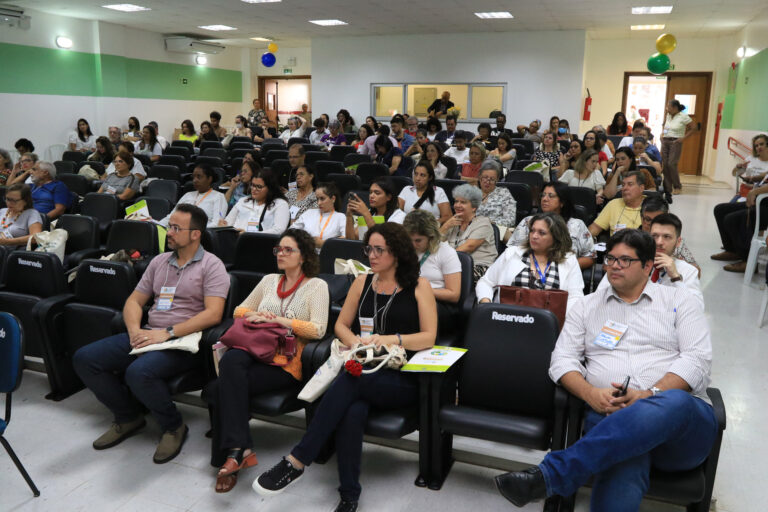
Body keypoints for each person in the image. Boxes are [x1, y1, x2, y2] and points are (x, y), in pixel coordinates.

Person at [495, 229, 715, 511]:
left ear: (648, 266)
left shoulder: (680, 301)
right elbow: (562, 360)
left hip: (679, 431)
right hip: (609, 414)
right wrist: (590, 394)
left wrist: (648, 395)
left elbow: (697, 359)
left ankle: (552, 474)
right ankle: (554, 475)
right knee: (622, 455)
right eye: (610, 259)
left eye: (625, 260)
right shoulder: (586, 306)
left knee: (673, 402)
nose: (614, 266)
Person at [253, 222, 437, 512]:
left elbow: (429, 336)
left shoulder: (419, 285)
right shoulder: (363, 281)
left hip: (400, 377)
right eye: (369, 249)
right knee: (353, 408)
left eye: (379, 250)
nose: (372, 255)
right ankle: (349, 495)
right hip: (362, 367)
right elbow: (340, 324)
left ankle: (298, 460)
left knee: (352, 380)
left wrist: (386, 341)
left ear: (398, 253)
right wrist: (357, 344)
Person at [72, 204, 229, 464]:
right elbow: (134, 302)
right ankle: (128, 416)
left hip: (184, 342)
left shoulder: (212, 266)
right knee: (85, 358)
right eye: (170, 226)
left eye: (177, 228)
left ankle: (173, 426)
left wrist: (167, 333)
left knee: (139, 372)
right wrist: (135, 330)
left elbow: (213, 314)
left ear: (195, 234)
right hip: (148, 334)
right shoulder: (159, 262)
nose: (169, 232)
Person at [211, 228, 329, 492]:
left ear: (304, 256)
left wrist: (279, 320)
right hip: (255, 350)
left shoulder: (316, 286)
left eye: (289, 250)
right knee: (231, 361)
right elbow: (239, 310)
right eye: (279, 249)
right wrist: (257, 314)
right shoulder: (268, 280)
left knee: (223, 387)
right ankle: (238, 450)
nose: (281, 254)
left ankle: (229, 456)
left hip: (285, 362)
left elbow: (318, 329)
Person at [476, 212, 584, 306]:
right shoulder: (512, 253)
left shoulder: (569, 260)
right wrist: (486, 304)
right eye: (532, 231)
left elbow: (575, 298)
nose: (534, 236)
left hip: (548, 323)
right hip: (508, 319)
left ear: (556, 237)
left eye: (541, 233)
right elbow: (486, 282)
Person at [509, 182, 595, 269]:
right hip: (529, 269)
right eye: (543, 195)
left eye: (551, 196)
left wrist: (565, 267)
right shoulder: (528, 222)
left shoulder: (577, 225)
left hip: (565, 273)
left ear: (562, 202)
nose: (544, 199)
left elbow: (590, 257)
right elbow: (512, 252)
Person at [403, 209, 461, 328]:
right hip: (407, 297)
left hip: (438, 303)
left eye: (418, 240)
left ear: (431, 237)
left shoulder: (446, 253)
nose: (413, 245)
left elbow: (454, 294)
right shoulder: (403, 249)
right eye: (409, 239)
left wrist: (419, 291)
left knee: (408, 310)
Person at [710, 171, 768, 273]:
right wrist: (754, 178)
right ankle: (732, 250)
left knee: (732, 219)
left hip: (765, 206)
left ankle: (749, 262)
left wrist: (754, 191)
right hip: (760, 202)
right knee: (720, 210)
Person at [440, 183, 497, 281]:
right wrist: (445, 227)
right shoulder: (452, 223)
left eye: (463, 202)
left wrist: (441, 261)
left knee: (442, 276)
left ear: (474, 207)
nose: (457, 205)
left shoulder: (483, 223)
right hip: (452, 265)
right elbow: (434, 244)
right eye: (456, 201)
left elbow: (468, 247)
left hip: (479, 267)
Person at [640, 195, 699, 270]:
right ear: (641, 218)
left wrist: (677, 265)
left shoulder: (675, 242)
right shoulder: (632, 240)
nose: (653, 225)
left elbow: (696, 271)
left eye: (659, 220)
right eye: (648, 220)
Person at [222, 169, 289, 233]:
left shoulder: (280, 204)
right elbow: (228, 222)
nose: (254, 189)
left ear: (270, 188)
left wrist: (248, 235)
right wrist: (223, 225)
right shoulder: (243, 201)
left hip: (262, 242)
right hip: (235, 239)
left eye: (259, 186)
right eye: (252, 185)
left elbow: (279, 230)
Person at [162, 165, 227, 228]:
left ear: (209, 179)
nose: (194, 180)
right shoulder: (188, 195)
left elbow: (217, 223)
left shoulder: (218, 197)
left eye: (199, 177)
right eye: (193, 177)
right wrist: (157, 224)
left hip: (202, 234)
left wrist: (191, 230)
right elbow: (171, 217)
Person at [589, 171, 646, 237]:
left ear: (641, 188)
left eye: (630, 184)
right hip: (615, 245)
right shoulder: (613, 204)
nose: (624, 188)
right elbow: (595, 228)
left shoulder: (651, 206)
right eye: (623, 185)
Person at [293, 182, 346, 248]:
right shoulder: (309, 213)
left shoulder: (340, 217)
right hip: (305, 252)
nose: (319, 203)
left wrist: (324, 243)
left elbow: (346, 238)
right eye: (317, 199)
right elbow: (291, 232)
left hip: (327, 254)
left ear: (333, 199)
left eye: (322, 199)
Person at [662, 99, 696, 195]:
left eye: (669, 107)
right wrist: (662, 134)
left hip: (675, 141)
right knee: (665, 165)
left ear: (675, 108)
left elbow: (694, 128)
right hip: (665, 140)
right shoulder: (668, 115)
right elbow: (667, 126)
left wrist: (683, 138)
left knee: (671, 164)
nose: (667, 109)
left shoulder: (683, 116)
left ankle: (677, 186)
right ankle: (667, 188)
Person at [476, 160, 517, 234]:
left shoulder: (504, 193)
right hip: (474, 230)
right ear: (479, 177)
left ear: (497, 180)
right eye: (485, 177)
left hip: (495, 231)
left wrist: (491, 223)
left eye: (492, 179)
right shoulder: (471, 193)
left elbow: (511, 220)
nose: (487, 182)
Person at [0, 183, 43, 248]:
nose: (9, 203)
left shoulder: (32, 213)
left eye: (14, 200)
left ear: (25, 200)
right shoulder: (2, 211)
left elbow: (35, 237)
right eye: (8, 199)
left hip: (13, 253)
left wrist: (8, 242)